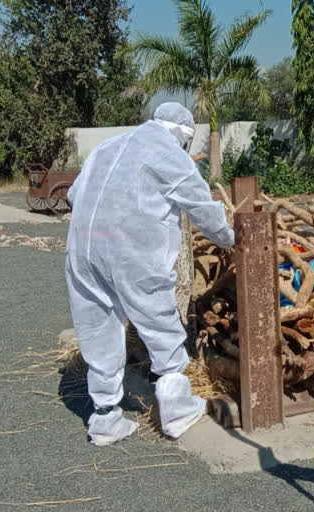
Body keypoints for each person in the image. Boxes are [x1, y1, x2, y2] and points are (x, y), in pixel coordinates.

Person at [65, 102, 235, 446]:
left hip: (82, 250)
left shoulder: (107, 146)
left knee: (99, 328)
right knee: (159, 322)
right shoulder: (171, 155)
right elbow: (204, 209)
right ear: (183, 137)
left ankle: (105, 419)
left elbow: (72, 195)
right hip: (131, 251)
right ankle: (176, 411)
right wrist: (232, 238)